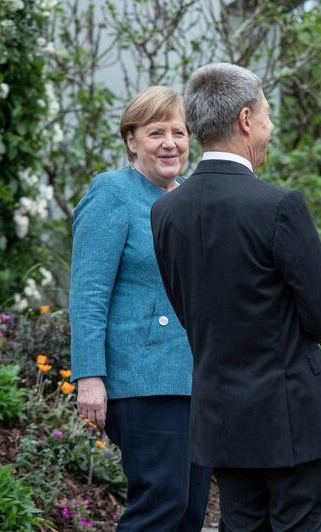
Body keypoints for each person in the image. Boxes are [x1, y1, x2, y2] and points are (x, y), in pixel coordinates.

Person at [150, 63, 321, 531]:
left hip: (221, 418)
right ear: (244, 120)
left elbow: (187, 310)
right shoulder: (278, 206)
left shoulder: (165, 211)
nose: (270, 128)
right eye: (267, 115)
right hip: (289, 416)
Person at [69, 86, 211, 531]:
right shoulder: (111, 192)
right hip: (142, 380)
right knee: (160, 504)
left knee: (189, 511)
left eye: (179, 132)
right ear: (131, 140)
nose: (171, 143)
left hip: (196, 379)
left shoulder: (193, 196)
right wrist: (89, 376)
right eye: (156, 133)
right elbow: (88, 293)